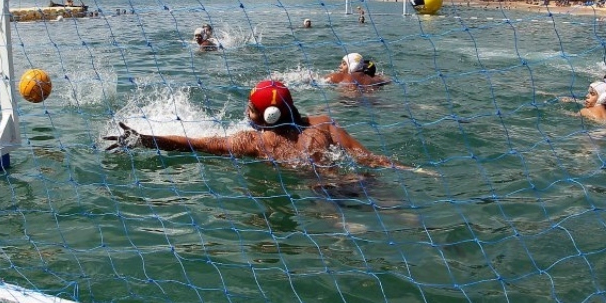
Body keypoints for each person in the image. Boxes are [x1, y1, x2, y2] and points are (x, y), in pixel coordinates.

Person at [102, 79, 415, 172]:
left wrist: (144, 139)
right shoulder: (325, 125)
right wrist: (411, 169)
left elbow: (192, 143)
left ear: (269, 117)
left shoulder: (254, 143)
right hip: (356, 181)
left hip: (321, 193)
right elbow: (368, 157)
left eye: (251, 107)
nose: (246, 110)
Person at [325, 53, 389, 88]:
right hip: (370, 100)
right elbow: (387, 80)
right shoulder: (374, 78)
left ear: (353, 66)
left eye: (344, 64)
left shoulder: (340, 76)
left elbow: (319, 80)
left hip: (347, 100)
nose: (340, 66)